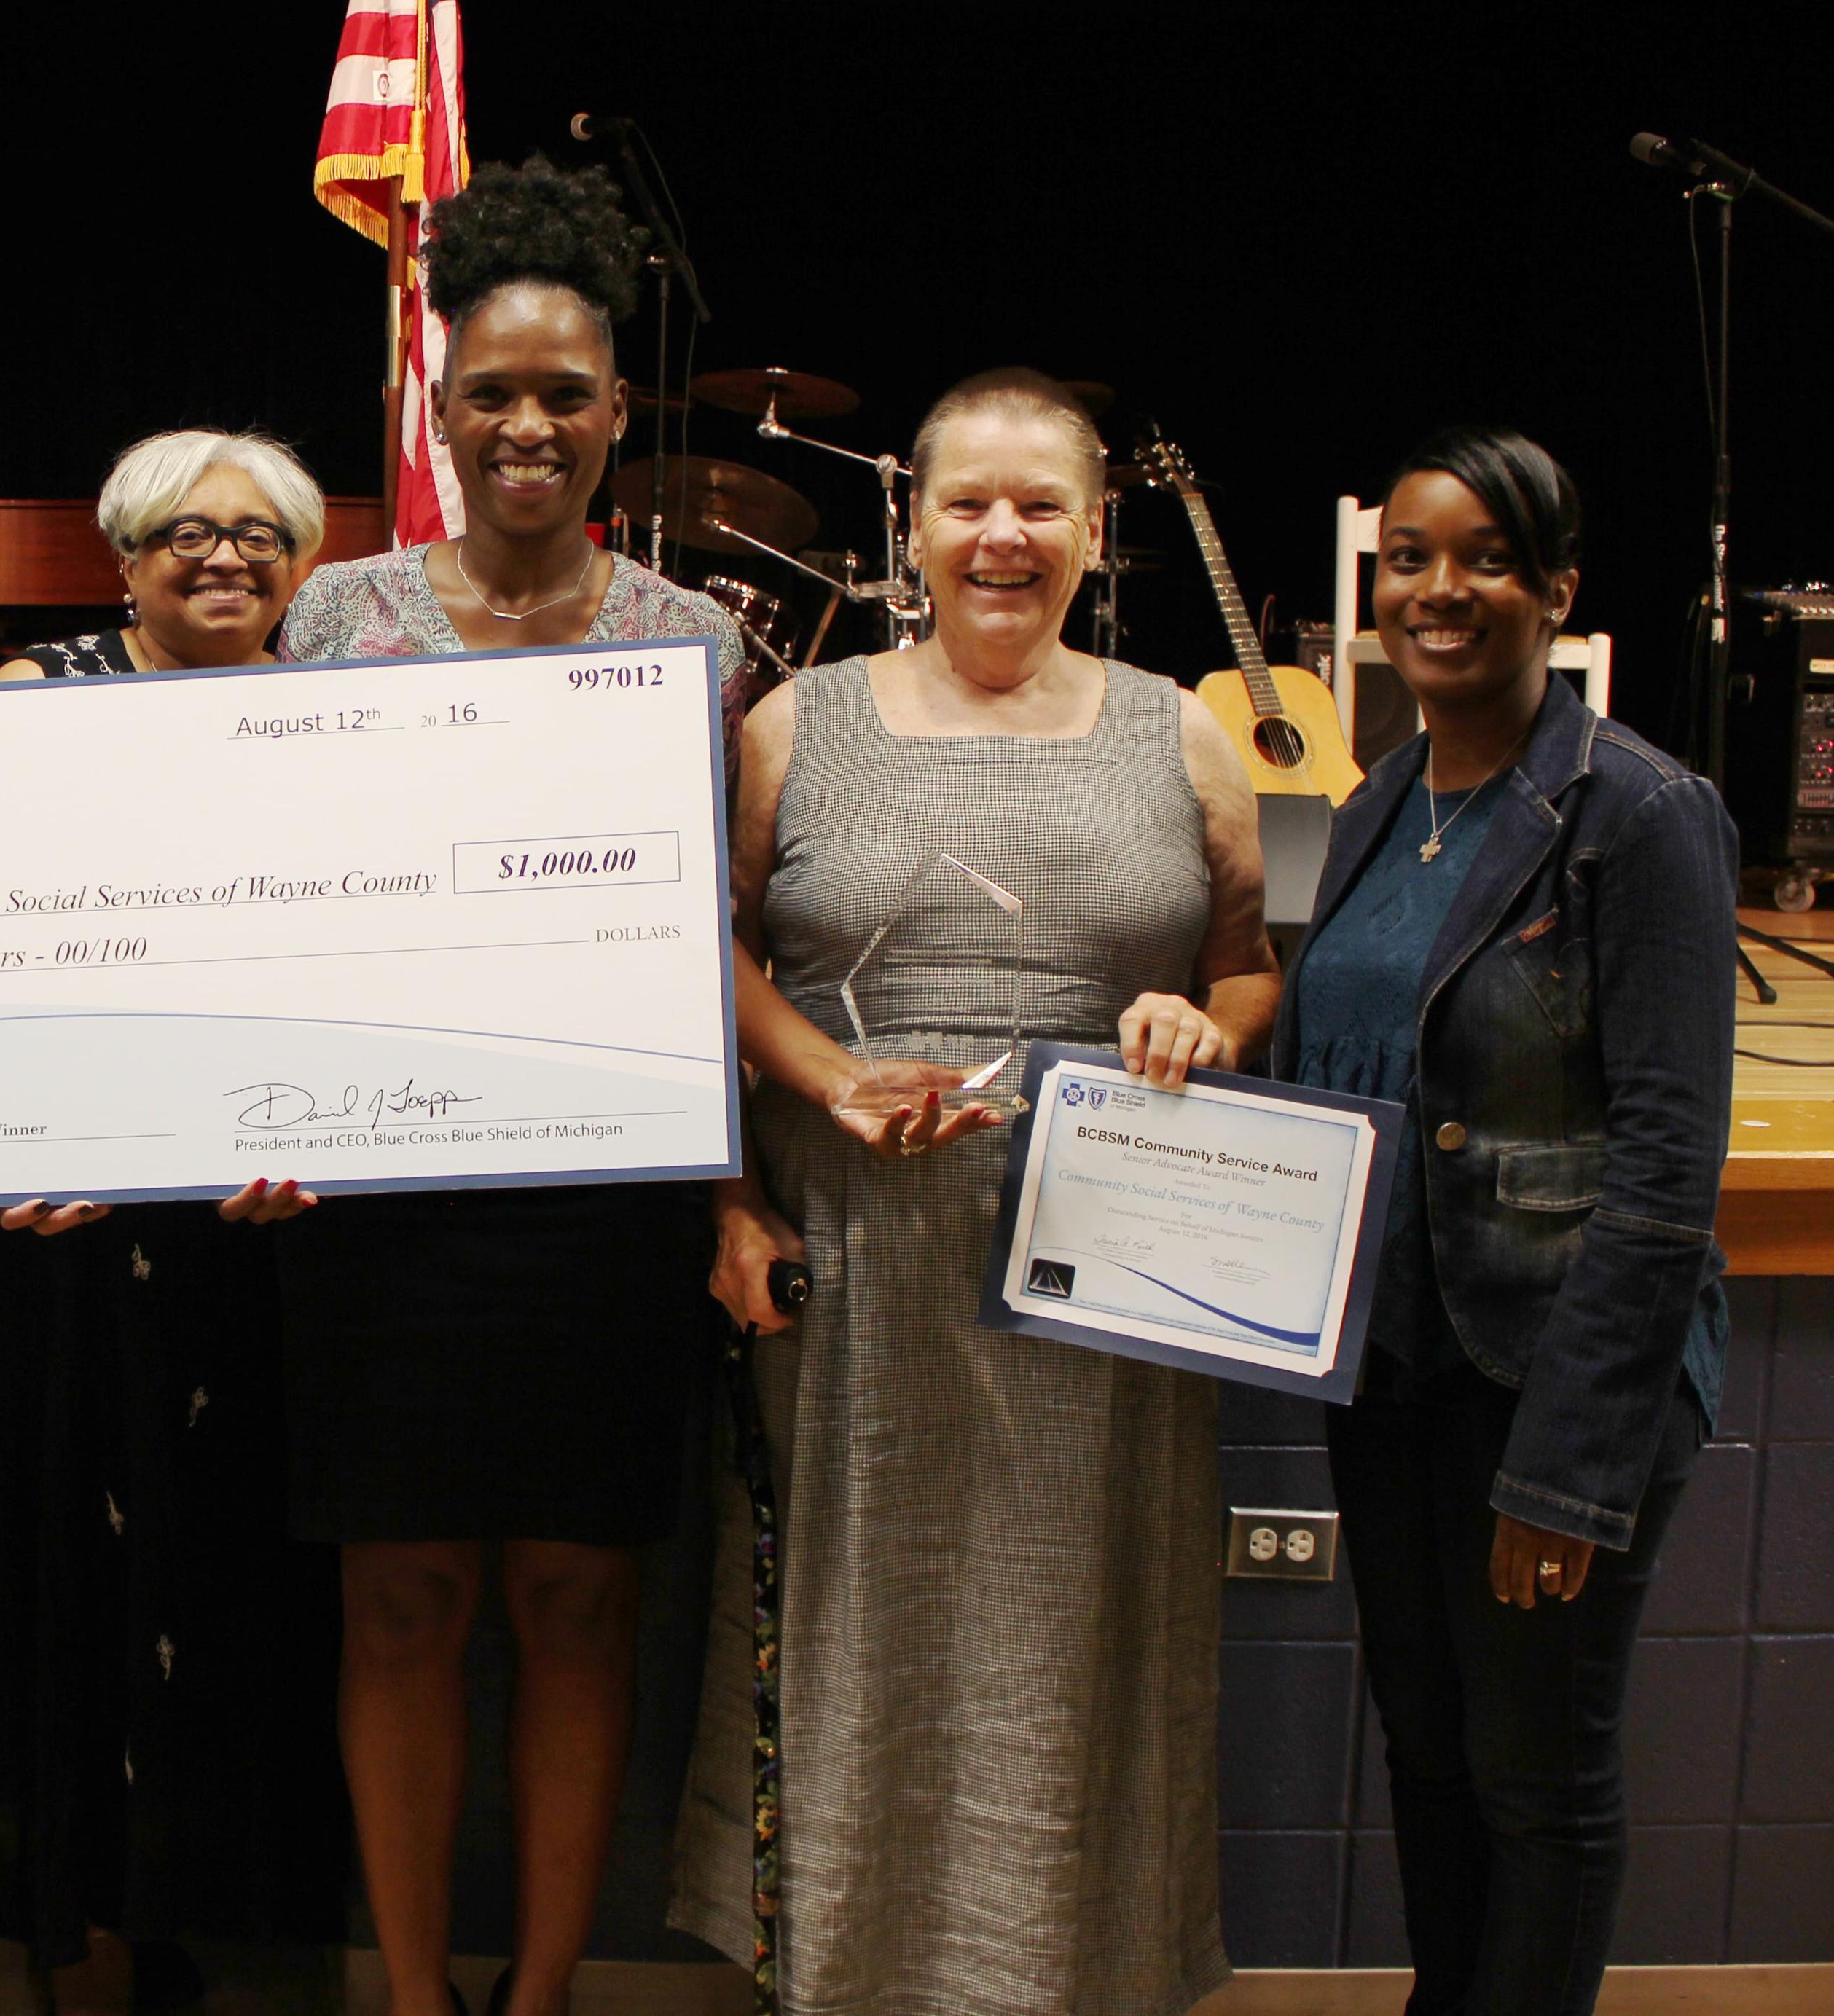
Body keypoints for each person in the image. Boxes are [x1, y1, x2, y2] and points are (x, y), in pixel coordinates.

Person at [671, 366, 1276, 2015]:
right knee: (866, 1637)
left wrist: (1205, 1027)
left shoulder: (1182, 730)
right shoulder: (799, 723)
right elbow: (706, 955)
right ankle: (840, 1977)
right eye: (966, 503)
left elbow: (1244, 967)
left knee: (1074, 1637)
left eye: (1040, 505)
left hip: (1104, 1278)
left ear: (1097, 529)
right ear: (912, 526)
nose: (1002, 535)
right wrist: (787, 1131)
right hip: (854, 1266)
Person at [273, 157, 748, 2016]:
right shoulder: (335, 618)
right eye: (493, 393)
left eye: (565, 392)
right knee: (399, 1601)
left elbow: (719, 941)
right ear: (442, 409)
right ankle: (413, 1994)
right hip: (378, 1200)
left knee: (576, 1600)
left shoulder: (695, 643)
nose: (528, 425)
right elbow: (271, 902)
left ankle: (539, 1990)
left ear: (618, 409)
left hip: (600, 1204)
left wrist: (728, 1186)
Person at [0, 428, 344, 2016]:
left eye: (261, 534)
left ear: (301, 565)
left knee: (212, 1565)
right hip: (55, 1214)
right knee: (73, 1558)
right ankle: (84, 1930)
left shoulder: (341, 723)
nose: (226, 557)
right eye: (188, 532)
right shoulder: (32, 696)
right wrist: (39, 1120)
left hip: (244, 1219)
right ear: (124, 559)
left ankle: (188, 1900)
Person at [1277, 426, 1736, 2015]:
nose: (1440, 591)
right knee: (1429, 1750)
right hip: (1395, 1365)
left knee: (1539, 1780)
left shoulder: (1641, 812)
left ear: (1558, 590)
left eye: (1485, 560)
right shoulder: (1374, 801)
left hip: (1552, 1378)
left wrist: (1569, 1466)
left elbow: (1669, 1165)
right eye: (1409, 559)